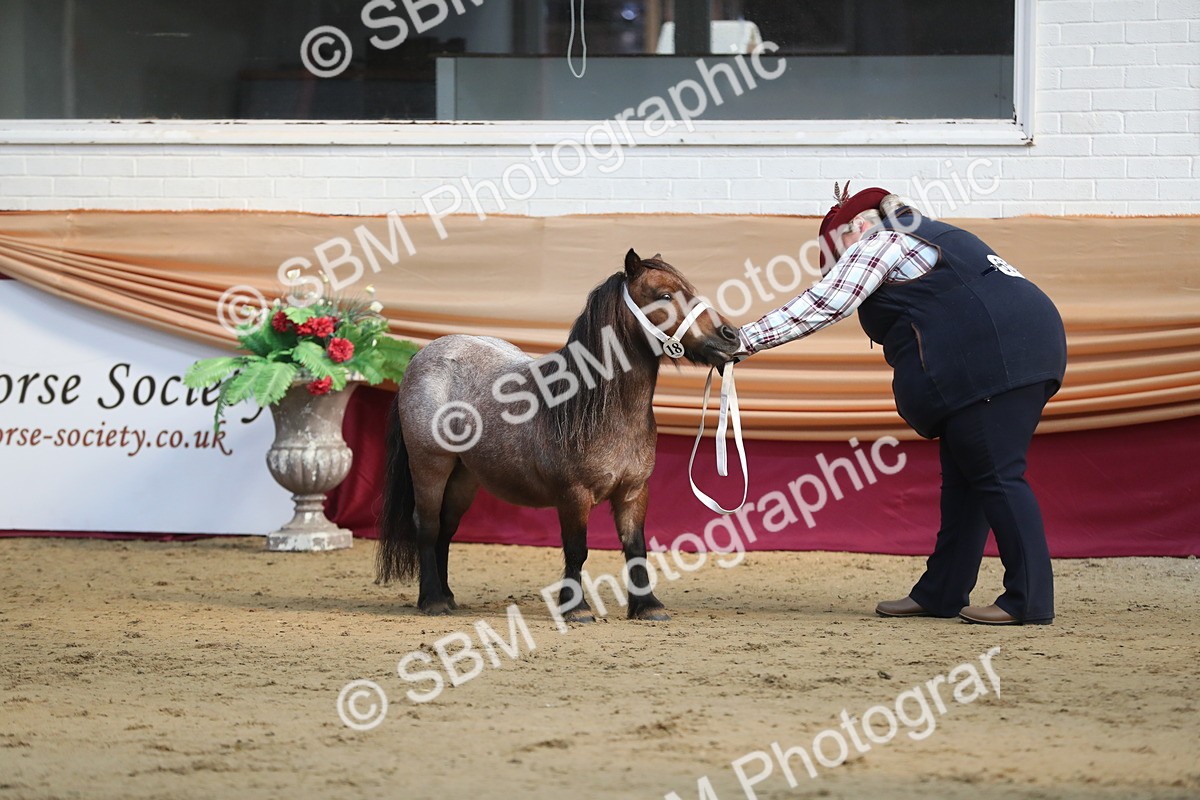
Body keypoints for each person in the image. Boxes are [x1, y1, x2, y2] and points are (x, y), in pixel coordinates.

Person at [736, 184, 1067, 625]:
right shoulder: (935, 234)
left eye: (838, 255)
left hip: (994, 359)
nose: (840, 265)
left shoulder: (880, 239)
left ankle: (1028, 600)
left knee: (997, 474)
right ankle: (942, 592)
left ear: (855, 227)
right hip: (1017, 353)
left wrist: (744, 339)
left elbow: (826, 302)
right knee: (968, 479)